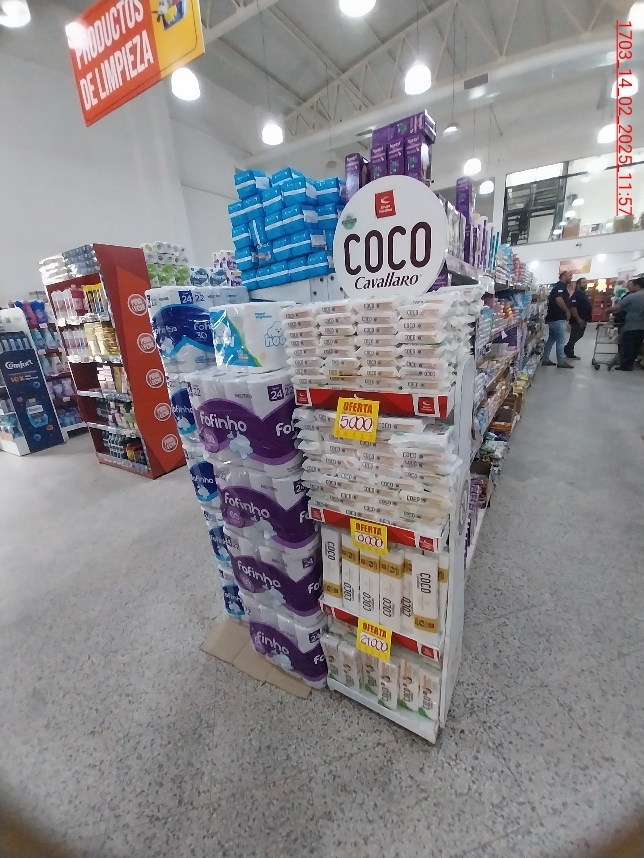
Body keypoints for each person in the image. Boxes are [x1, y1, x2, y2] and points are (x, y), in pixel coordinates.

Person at [542, 271, 583, 368]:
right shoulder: (560, 286)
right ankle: (561, 361)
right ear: (564, 276)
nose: (571, 277)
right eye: (570, 275)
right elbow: (558, 299)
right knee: (561, 340)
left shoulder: (559, 286)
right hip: (558, 318)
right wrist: (567, 311)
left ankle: (545, 359)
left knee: (551, 339)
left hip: (553, 318)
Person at [607, 275, 644, 370]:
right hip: (641, 327)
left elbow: (617, 307)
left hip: (631, 325)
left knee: (628, 346)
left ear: (637, 285)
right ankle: (631, 363)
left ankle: (627, 365)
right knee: (636, 345)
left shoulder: (632, 297)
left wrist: (606, 311)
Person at [564, 277, 592, 360]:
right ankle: (569, 351)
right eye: (584, 282)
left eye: (586, 282)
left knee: (579, 335)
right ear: (578, 284)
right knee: (575, 335)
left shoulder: (583, 294)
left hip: (583, 319)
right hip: (577, 320)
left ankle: (568, 348)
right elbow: (573, 307)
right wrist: (579, 319)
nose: (586, 284)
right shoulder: (576, 295)